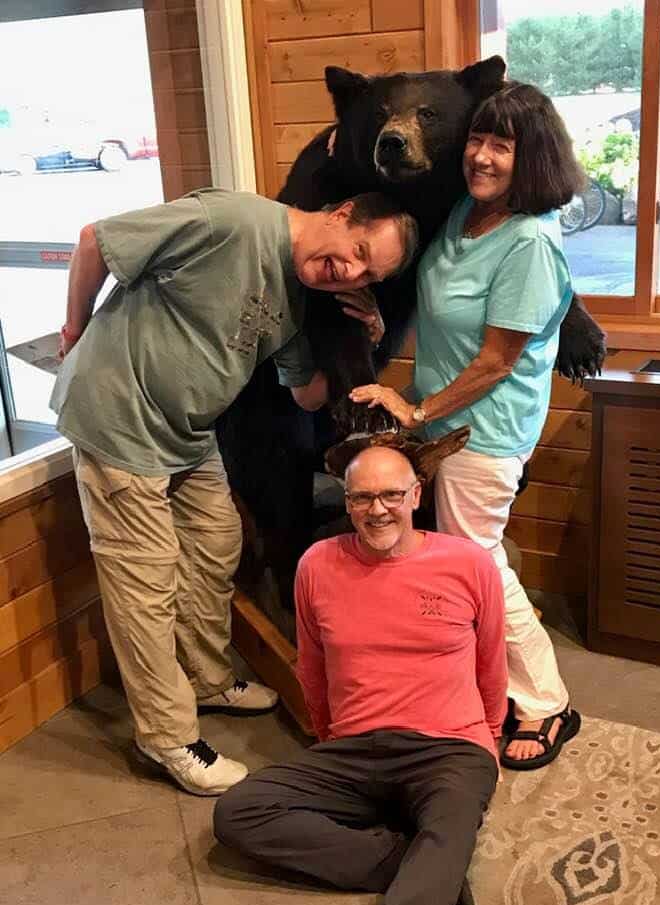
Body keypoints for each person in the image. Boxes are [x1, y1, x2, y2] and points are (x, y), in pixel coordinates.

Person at [52, 188, 419, 797]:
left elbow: (307, 394)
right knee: (145, 577)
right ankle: (165, 736)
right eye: (355, 250)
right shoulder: (233, 221)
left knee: (218, 542)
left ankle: (205, 678)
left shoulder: (305, 296)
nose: (348, 271)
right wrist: (77, 328)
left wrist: (371, 337)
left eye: (365, 272)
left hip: (187, 431)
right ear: (342, 212)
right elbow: (96, 240)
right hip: (116, 415)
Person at [349, 81, 584, 771]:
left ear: (532, 157)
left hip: (483, 431)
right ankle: (490, 685)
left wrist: (416, 411)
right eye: (478, 140)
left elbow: (494, 362)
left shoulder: (529, 244)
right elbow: (437, 308)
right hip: (442, 424)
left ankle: (546, 703)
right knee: (463, 564)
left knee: (479, 566)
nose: (481, 156)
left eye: (501, 146)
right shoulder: (464, 214)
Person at [214, 442, 507, 905]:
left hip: (449, 746)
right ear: (346, 502)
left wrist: (489, 738)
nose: (377, 510)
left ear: (416, 494)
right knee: (240, 812)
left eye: (391, 494)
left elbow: (490, 661)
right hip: (355, 749)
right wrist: (329, 738)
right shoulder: (318, 565)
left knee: (451, 823)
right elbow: (312, 666)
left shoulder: (467, 563)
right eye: (362, 497)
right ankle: (424, 871)